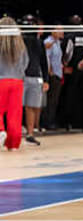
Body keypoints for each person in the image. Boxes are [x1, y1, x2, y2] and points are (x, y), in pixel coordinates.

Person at [0, 16, 28, 150]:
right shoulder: (21, 46)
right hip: (17, 82)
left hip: (1, 80)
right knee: (15, 114)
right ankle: (13, 143)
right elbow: (25, 63)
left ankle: (0, 131)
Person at [20, 16, 45, 145]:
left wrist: (45, 80)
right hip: (20, 77)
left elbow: (43, 62)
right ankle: (16, 131)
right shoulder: (19, 42)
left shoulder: (39, 42)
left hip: (34, 77)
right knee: (21, 106)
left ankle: (30, 134)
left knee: (31, 106)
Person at [42, 25, 63, 130]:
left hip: (58, 73)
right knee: (50, 100)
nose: (62, 32)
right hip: (52, 74)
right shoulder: (48, 42)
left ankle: (51, 120)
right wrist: (50, 72)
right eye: (59, 30)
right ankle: (47, 122)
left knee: (55, 100)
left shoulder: (58, 42)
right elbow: (46, 57)